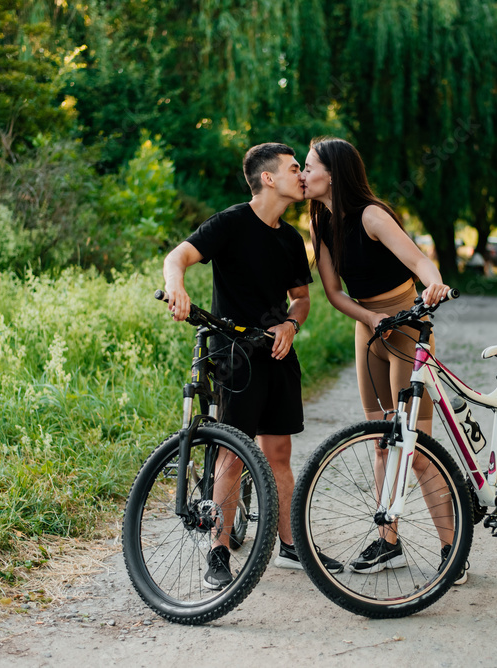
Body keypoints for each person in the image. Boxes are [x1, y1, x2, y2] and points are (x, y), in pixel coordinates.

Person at [163, 142, 342, 590]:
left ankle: (290, 545)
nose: (302, 175)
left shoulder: (288, 238)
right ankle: (218, 551)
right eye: (294, 168)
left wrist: (290, 325)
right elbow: (177, 257)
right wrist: (177, 288)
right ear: (268, 178)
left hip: (277, 354)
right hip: (234, 356)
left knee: (279, 454)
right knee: (233, 454)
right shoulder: (231, 223)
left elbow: (301, 298)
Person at [301, 137, 467, 585]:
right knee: (381, 440)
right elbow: (335, 293)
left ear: (332, 173)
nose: (302, 173)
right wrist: (370, 318)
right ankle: (388, 541)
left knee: (416, 451)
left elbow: (419, 260)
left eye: (309, 165)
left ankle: (453, 550)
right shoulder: (319, 223)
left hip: (407, 325)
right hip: (368, 328)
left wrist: (434, 285)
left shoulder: (373, 215)